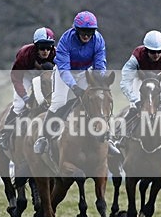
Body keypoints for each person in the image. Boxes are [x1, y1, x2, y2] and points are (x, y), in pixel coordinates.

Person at [33, 11, 116, 155]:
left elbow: (100, 65)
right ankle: (43, 137)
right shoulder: (66, 40)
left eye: (90, 32)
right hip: (64, 72)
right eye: (83, 31)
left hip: (84, 72)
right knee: (59, 102)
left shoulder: (98, 40)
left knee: (98, 100)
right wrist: (74, 87)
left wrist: (99, 82)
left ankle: (108, 138)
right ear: (76, 30)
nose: (86, 35)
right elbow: (64, 69)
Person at [116, 30, 161, 149]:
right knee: (133, 108)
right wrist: (135, 100)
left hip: (158, 80)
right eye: (153, 52)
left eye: (159, 51)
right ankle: (120, 136)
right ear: (146, 50)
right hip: (139, 79)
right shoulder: (136, 57)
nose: (156, 55)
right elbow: (125, 82)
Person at [0, 27, 56, 151]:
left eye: (48, 47)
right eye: (42, 47)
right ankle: (5, 135)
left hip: (45, 76)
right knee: (19, 104)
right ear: (36, 46)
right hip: (25, 75)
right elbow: (16, 77)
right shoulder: (25, 54)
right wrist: (25, 97)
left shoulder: (56, 55)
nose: (45, 51)